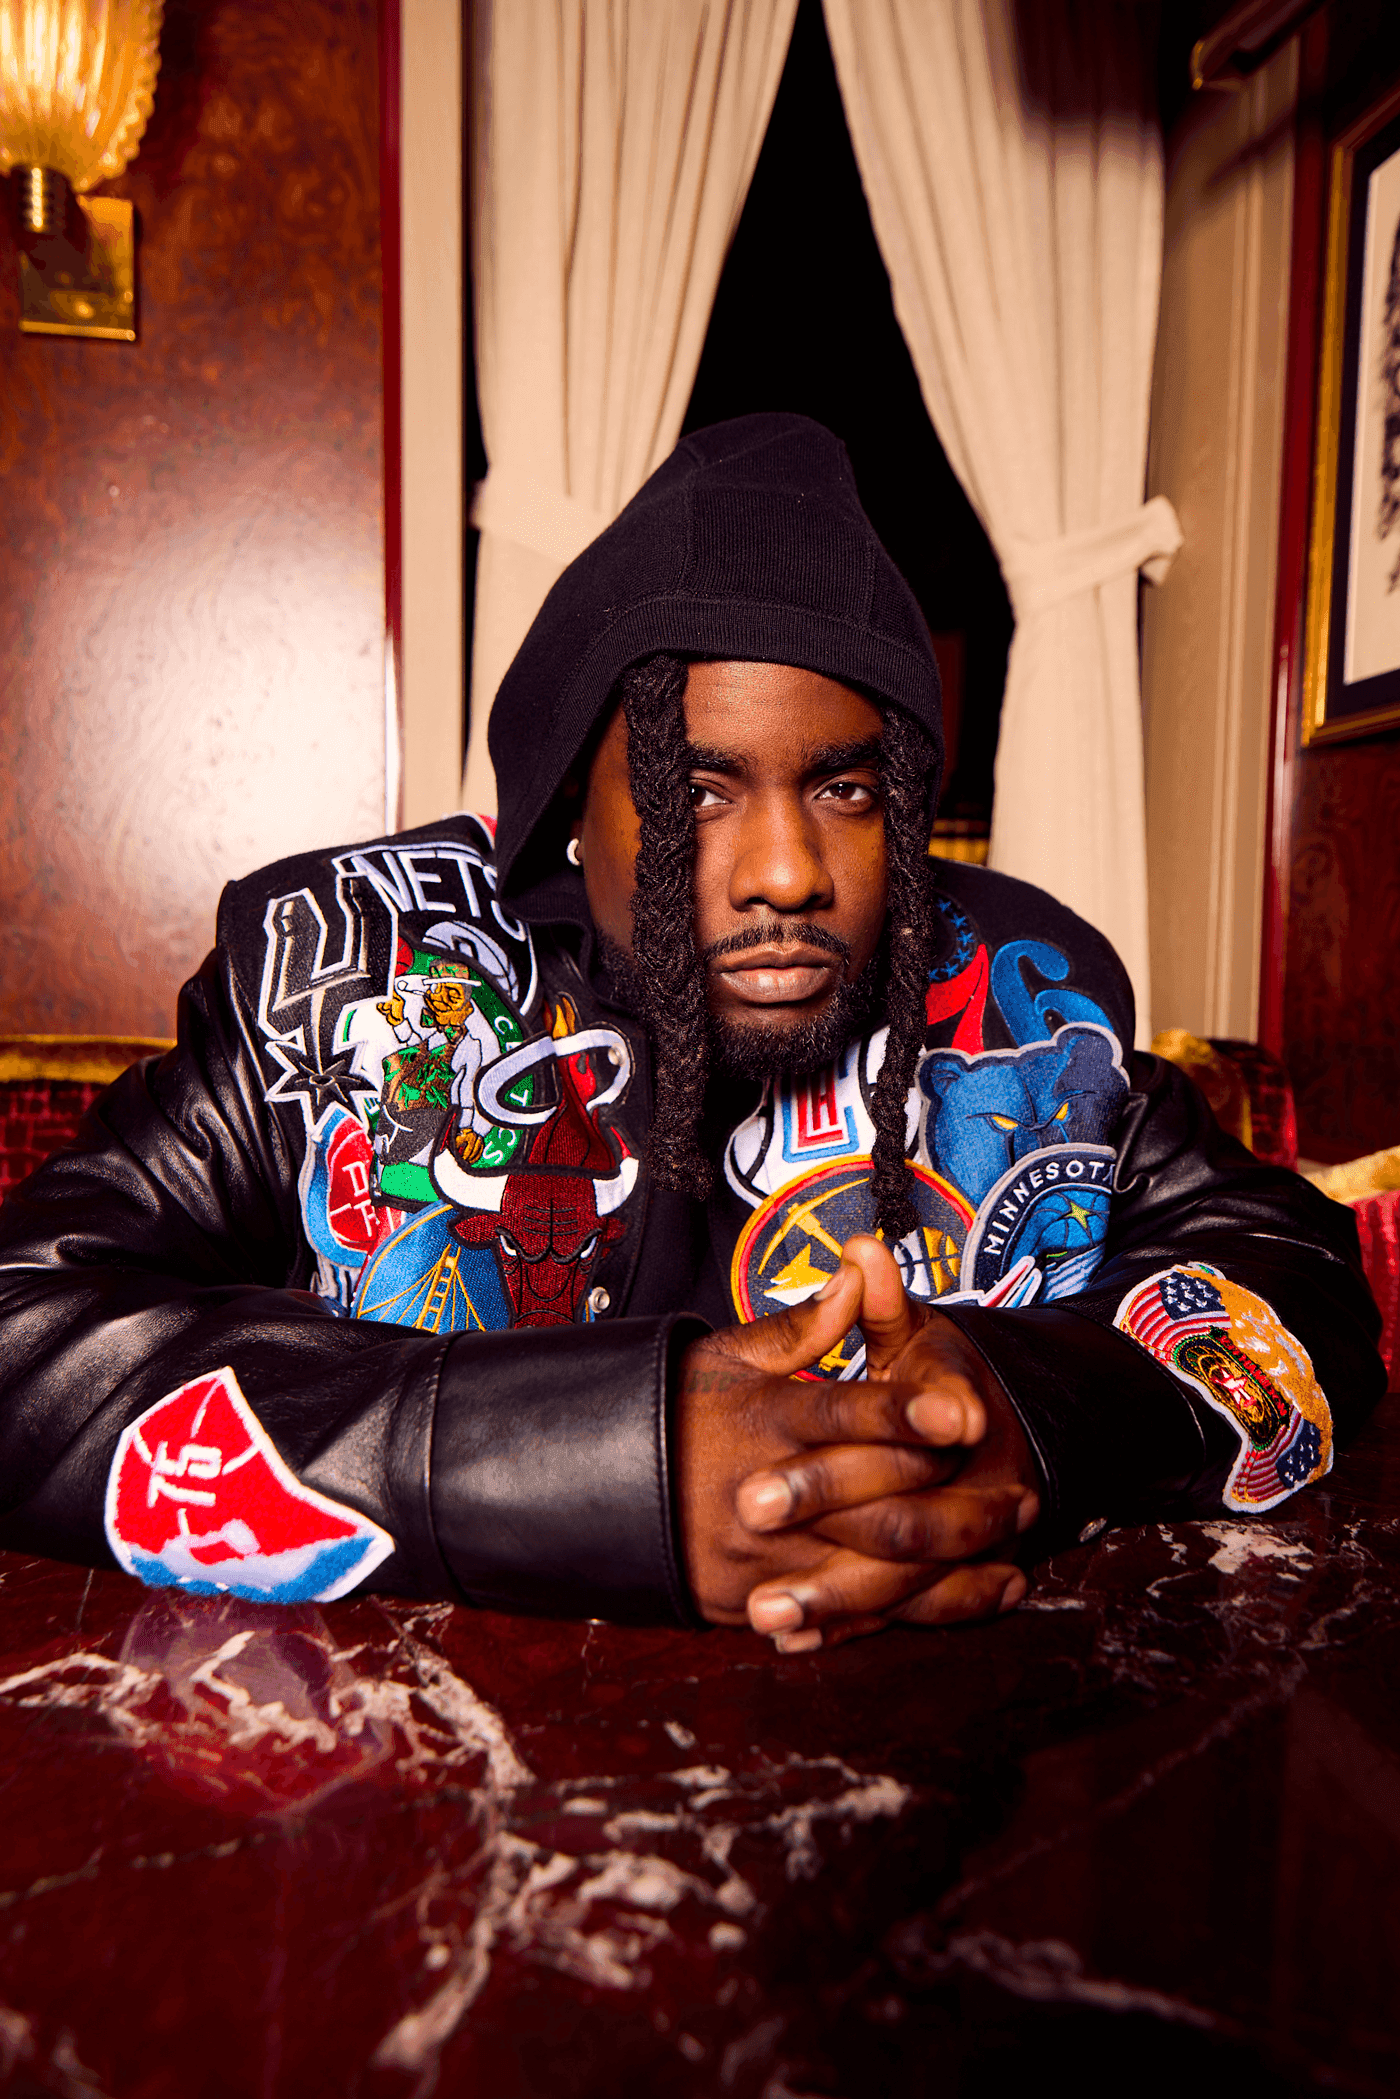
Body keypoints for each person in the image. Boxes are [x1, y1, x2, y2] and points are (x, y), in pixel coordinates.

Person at [0, 416, 1383, 1651]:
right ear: (567, 813)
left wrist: (1032, 1408)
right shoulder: (358, 994)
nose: (788, 867)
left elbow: (1298, 1278)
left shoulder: (1024, 1016)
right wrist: (615, 1467)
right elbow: (21, 1329)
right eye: (696, 787)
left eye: (845, 788)